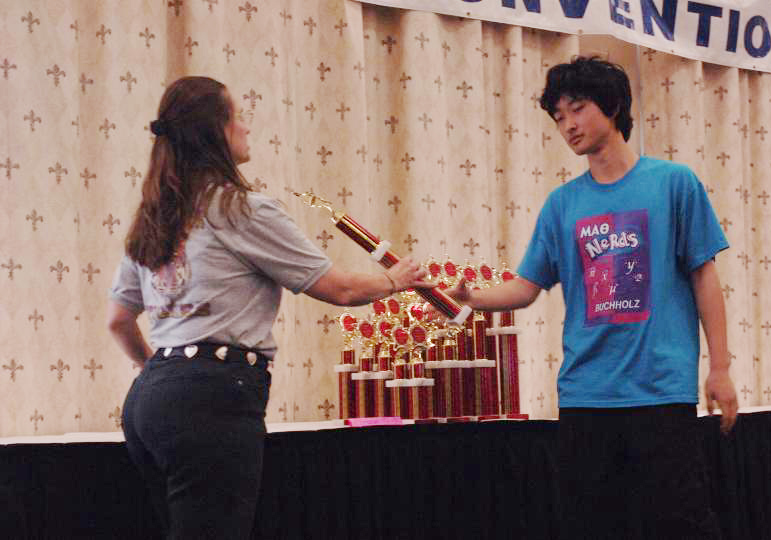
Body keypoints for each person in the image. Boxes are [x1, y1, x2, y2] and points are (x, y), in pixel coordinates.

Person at [107, 76, 428, 540]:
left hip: (149, 403)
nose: (247, 127)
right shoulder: (242, 209)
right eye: (238, 116)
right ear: (216, 131)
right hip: (212, 399)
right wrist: (395, 280)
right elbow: (339, 289)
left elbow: (118, 320)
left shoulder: (155, 215)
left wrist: (162, 373)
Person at [446, 57, 738, 539]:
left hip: (660, 390)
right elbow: (526, 287)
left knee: (681, 522)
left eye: (578, 109)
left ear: (613, 106)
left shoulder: (673, 183)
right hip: (586, 394)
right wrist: (471, 298)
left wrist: (720, 368)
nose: (568, 125)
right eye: (558, 116)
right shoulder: (562, 204)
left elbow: (704, 277)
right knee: (591, 525)